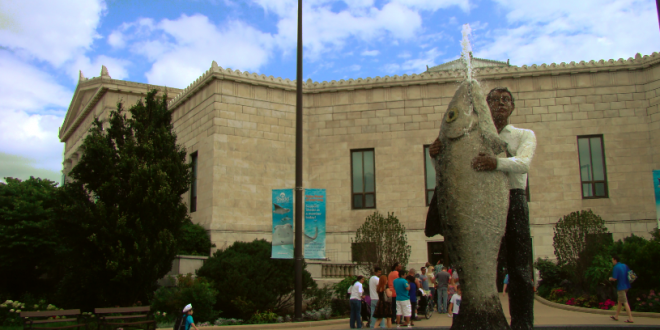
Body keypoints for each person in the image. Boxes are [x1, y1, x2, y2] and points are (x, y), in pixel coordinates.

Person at [430, 86, 536, 330]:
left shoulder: (523, 135)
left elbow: (524, 163)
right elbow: (456, 172)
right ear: (483, 106)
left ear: (513, 106)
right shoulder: (471, 132)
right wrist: (435, 155)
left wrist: (495, 162)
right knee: (484, 266)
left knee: (519, 268)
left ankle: (522, 324)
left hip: (514, 199)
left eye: (506, 99)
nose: (501, 103)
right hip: (483, 206)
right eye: (495, 99)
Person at [609, 255, 634, 323]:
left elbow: (615, 278)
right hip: (627, 286)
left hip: (621, 287)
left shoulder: (616, 267)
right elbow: (630, 274)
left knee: (625, 302)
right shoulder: (624, 265)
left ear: (615, 260)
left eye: (612, 260)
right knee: (620, 301)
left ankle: (630, 318)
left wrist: (610, 278)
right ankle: (616, 316)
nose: (612, 261)